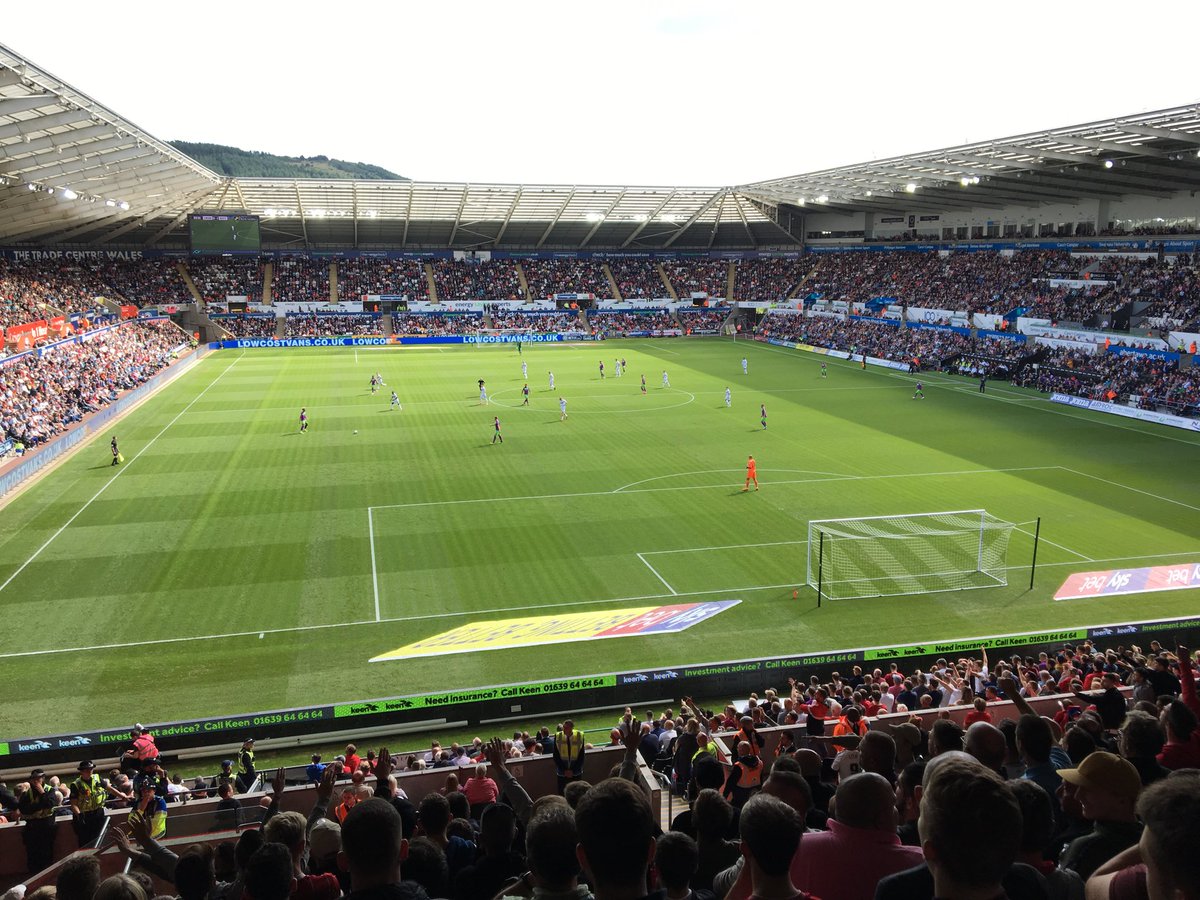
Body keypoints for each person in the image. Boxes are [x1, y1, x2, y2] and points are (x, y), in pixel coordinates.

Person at [18, 769, 58, 874]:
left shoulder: (50, 790)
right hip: (32, 830)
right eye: (34, 779)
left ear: (43, 778)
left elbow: (50, 804)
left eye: (38, 778)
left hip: (47, 829)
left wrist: (42, 793)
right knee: (33, 858)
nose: (36, 781)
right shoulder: (26, 794)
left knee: (47, 855)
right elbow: (24, 809)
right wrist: (40, 805)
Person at [69, 760, 108, 848]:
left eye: (91, 769)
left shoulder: (97, 778)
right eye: (87, 770)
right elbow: (73, 804)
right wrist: (79, 814)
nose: (90, 772)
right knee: (85, 842)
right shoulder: (76, 784)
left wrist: (122, 796)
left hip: (97, 813)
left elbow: (109, 788)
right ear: (81, 771)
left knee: (99, 839)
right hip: (84, 816)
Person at [553, 720, 585, 795]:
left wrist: (573, 771)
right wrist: (564, 770)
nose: (563, 729)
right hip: (562, 772)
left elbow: (581, 755)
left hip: (576, 772)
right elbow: (556, 755)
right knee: (562, 793)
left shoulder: (579, 736)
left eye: (566, 728)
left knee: (577, 793)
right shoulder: (558, 736)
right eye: (563, 727)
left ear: (571, 728)